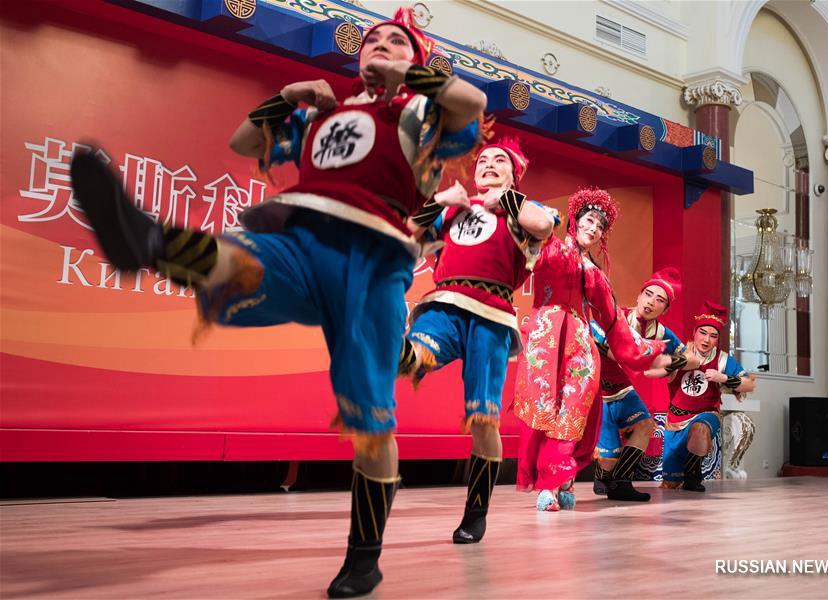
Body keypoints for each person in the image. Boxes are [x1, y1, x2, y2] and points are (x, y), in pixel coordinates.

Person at [69, 8, 487, 597]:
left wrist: (409, 79)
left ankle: (363, 558)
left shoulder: (422, 111)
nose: (383, 45)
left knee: (370, 420)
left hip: (374, 265)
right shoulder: (324, 114)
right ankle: (145, 242)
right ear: (356, 55)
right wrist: (286, 94)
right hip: (304, 241)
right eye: (373, 39)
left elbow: (471, 103)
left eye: (398, 42)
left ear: (416, 59)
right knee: (242, 260)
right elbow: (243, 141)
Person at [398, 138, 556, 542]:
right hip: (444, 306)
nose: (487, 163)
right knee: (410, 359)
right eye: (483, 159)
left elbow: (544, 225)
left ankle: (475, 513)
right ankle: (379, 328)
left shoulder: (519, 209)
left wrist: (506, 199)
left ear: (513, 174)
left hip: (491, 317)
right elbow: (410, 233)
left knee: (482, 419)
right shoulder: (456, 208)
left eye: (499, 160)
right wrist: (440, 200)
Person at [513, 187, 670, 511]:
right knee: (546, 414)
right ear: (575, 220)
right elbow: (522, 248)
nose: (594, 228)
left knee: (572, 413)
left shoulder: (597, 275)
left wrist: (649, 347)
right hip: (546, 341)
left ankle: (555, 484)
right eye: (589, 220)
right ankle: (557, 479)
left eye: (600, 226)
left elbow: (615, 324)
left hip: (582, 349)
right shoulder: (549, 246)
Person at [590, 267, 697, 501]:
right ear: (639, 296)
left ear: (665, 309)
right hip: (598, 390)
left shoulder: (660, 333)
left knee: (646, 425)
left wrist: (670, 363)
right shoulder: (615, 317)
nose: (651, 302)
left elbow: (693, 359)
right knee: (608, 458)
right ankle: (604, 476)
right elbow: (600, 342)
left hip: (623, 390)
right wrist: (644, 359)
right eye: (648, 294)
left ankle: (621, 482)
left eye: (660, 300)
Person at [655, 301, 756, 492]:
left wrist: (724, 377)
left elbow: (749, 384)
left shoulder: (722, 359)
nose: (707, 340)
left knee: (701, 429)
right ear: (694, 332)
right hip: (675, 420)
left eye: (713, 336)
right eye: (703, 333)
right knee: (670, 486)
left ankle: (694, 476)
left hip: (705, 414)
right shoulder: (681, 353)